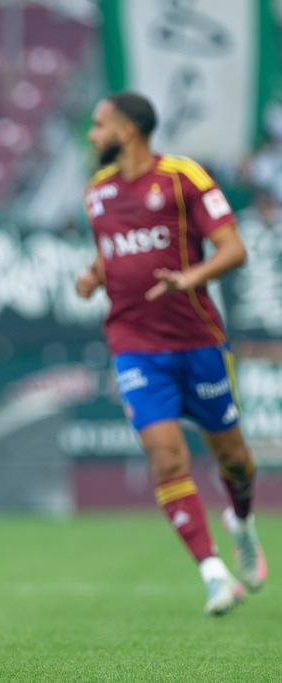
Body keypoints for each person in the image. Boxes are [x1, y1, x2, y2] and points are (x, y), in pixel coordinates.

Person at [76, 91, 267, 616]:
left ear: (128, 130)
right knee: (165, 455)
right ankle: (213, 574)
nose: (92, 135)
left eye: (99, 125)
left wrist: (189, 278)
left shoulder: (185, 176)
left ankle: (242, 525)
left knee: (233, 458)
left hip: (198, 338)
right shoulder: (97, 192)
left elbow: (234, 249)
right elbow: (108, 252)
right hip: (134, 344)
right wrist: (93, 276)